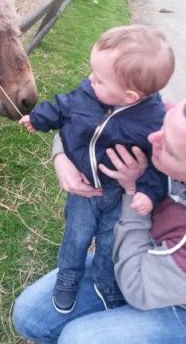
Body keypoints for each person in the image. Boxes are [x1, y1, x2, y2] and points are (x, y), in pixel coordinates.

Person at [19, 25, 174, 313]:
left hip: (119, 194)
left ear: (130, 96)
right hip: (85, 190)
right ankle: (68, 276)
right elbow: (63, 107)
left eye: (100, 79)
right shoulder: (90, 93)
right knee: (75, 237)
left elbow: (158, 164)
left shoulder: (154, 121)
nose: (90, 80)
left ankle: (107, 283)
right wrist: (38, 118)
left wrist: (148, 194)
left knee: (108, 242)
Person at [12, 100, 186, 344]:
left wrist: (131, 191)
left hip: (171, 298)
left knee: (78, 340)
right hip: (130, 259)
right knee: (29, 316)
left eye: (168, 149)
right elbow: (85, 116)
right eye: (164, 126)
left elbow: (137, 285)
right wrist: (62, 156)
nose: (153, 138)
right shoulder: (169, 122)